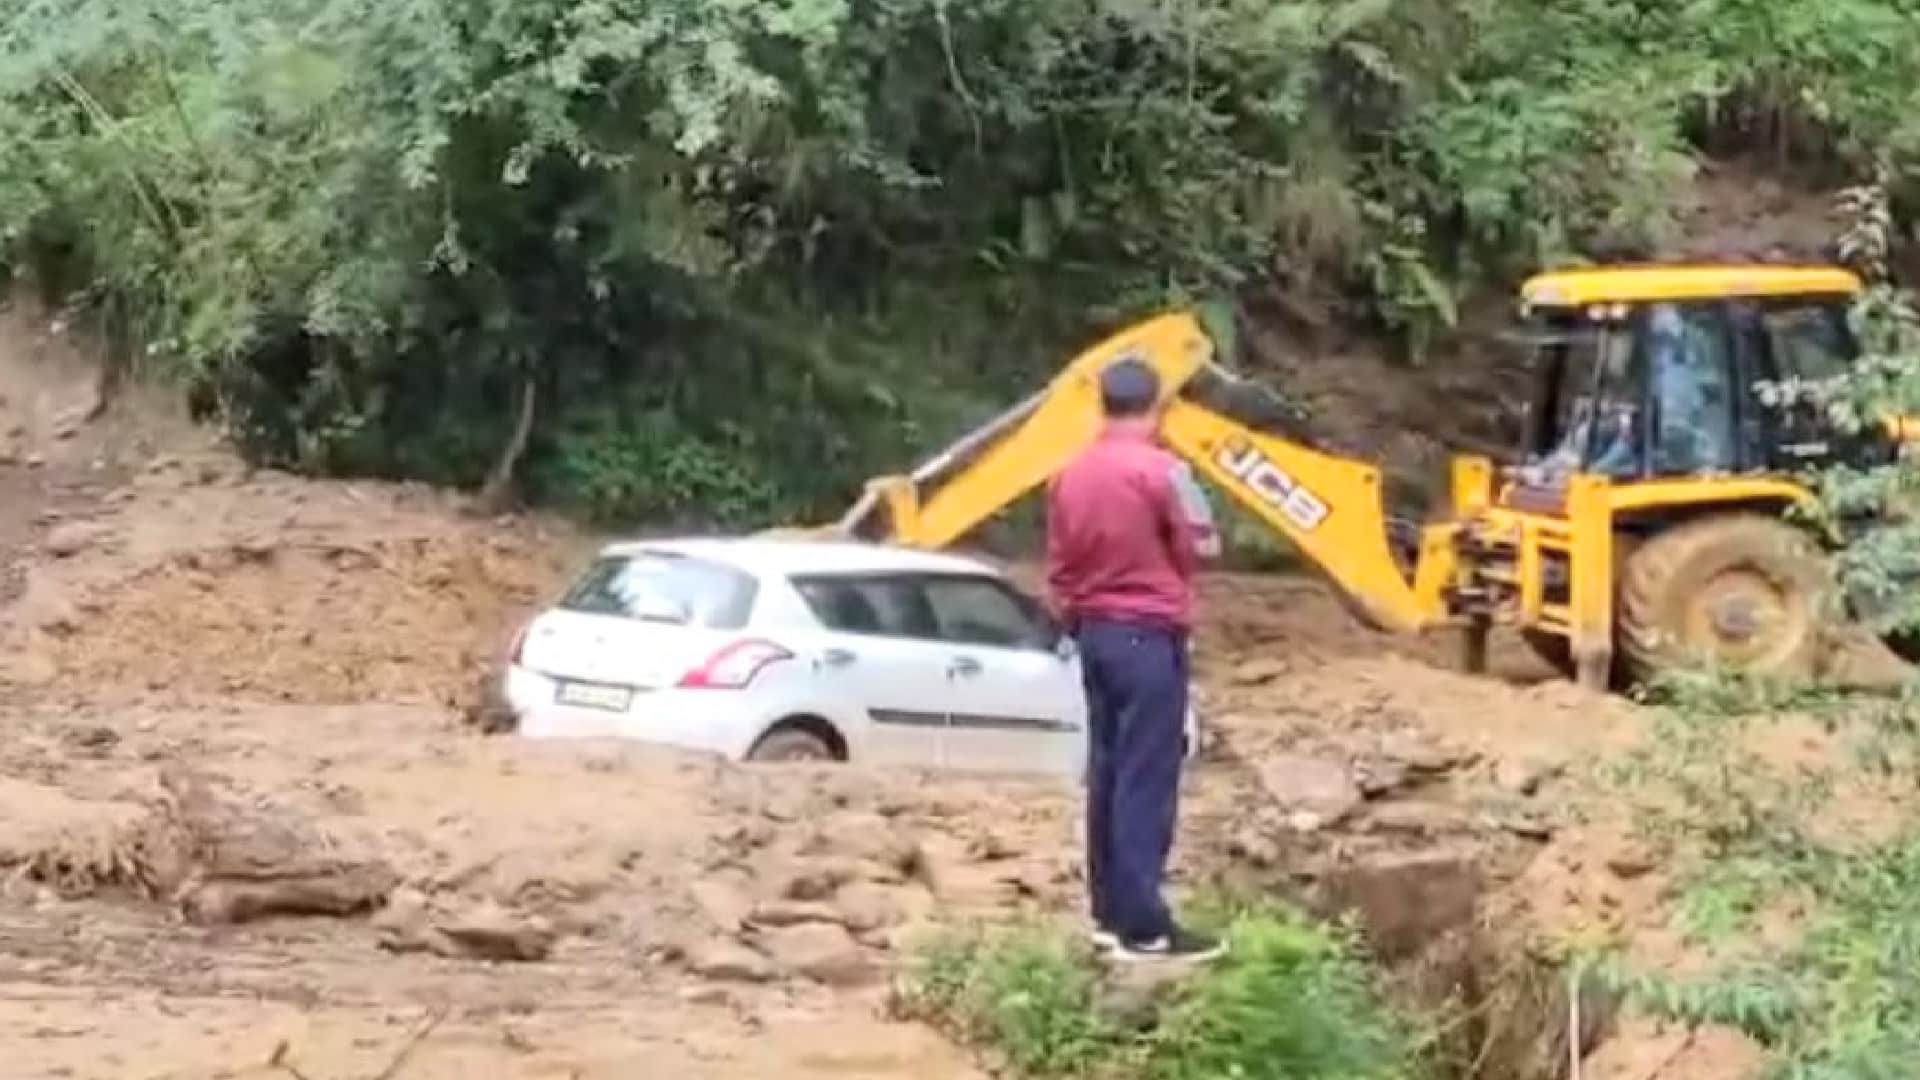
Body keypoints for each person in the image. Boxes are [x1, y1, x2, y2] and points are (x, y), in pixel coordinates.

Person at [1045, 356, 1224, 963]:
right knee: (1147, 778)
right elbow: (1203, 545)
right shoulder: (1165, 471)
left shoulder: (1068, 475)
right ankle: (1146, 926)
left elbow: (1059, 565)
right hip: (1148, 635)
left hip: (1093, 635)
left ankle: (1108, 915)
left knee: (1107, 772)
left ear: (1101, 403)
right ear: (1157, 406)